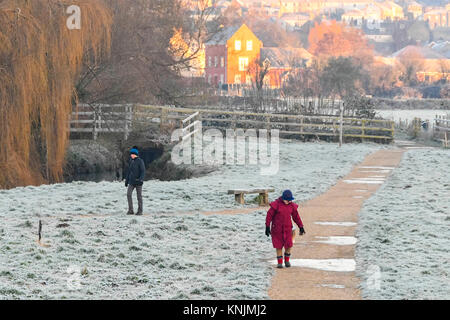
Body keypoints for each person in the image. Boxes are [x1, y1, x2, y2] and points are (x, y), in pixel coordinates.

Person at [265, 190, 305, 268]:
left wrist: (301, 226)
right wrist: (267, 226)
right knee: (278, 246)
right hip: (277, 230)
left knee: (289, 245)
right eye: (287, 200)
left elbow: (296, 217)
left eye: (290, 200)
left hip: (287, 229)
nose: (289, 201)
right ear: (283, 198)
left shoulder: (292, 206)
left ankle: (287, 260)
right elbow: (269, 216)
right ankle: (279, 262)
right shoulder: (276, 205)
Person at [125, 147, 146, 215]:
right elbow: (129, 171)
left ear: (135, 154)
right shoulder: (131, 161)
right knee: (128, 194)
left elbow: (143, 171)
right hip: (131, 182)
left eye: (132, 154)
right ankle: (130, 210)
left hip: (138, 182)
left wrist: (141, 179)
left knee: (139, 197)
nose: (131, 155)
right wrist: (126, 181)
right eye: (131, 154)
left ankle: (140, 211)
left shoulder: (140, 161)